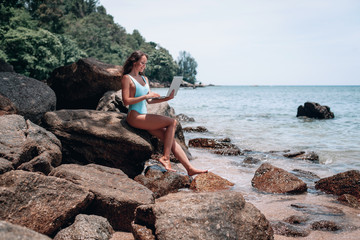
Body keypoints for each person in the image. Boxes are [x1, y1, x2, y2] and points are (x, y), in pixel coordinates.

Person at [121, 51, 207, 176]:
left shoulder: (145, 78)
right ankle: (165, 158)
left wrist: (167, 98)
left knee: (169, 138)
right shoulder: (127, 78)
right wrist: (146, 95)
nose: (144, 66)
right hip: (134, 117)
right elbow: (126, 101)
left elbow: (149, 101)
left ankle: (189, 168)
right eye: (142, 63)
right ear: (134, 62)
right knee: (172, 122)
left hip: (143, 118)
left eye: (145, 63)